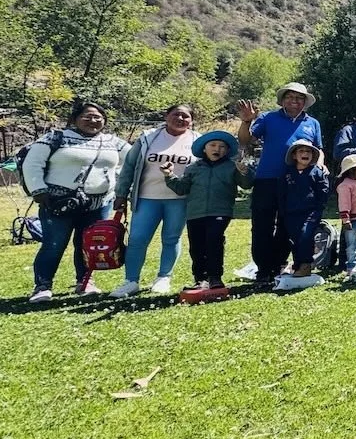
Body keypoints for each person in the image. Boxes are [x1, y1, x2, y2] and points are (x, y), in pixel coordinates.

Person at [23, 101, 131, 303]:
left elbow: (134, 159)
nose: (93, 120)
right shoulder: (56, 137)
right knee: (54, 244)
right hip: (57, 202)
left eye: (98, 117)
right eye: (87, 116)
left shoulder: (113, 142)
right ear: (74, 119)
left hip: (98, 203)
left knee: (88, 244)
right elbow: (33, 162)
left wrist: (118, 184)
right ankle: (42, 286)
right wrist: (38, 189)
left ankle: (85, 281)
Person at [236, 82, 323, 286]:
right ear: (283, 100)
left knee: (287, 226)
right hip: (266, 179)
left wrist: (319, 167)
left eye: (299, 98)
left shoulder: (313, 123)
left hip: (296, 183)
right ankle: (263, 270)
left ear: (305, 102)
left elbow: (319, 149)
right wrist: (246, 122)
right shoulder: (268, 118)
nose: (295, 101)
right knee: (262, 226)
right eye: (290, 97)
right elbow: (246, 140)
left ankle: (278, 265)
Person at [110, 104, 200, 298]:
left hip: (179, 199)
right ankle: (131, 281)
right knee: (137, 239)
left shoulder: (197, 140)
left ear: (191, 121)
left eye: (186, 116)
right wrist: (121, 193)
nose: (181, 119)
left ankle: (163, 277)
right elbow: (129, 167)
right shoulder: (148, 137)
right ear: (166, 116)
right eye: (176, 114)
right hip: (146, 197)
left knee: (171, 238)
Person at [161, 131, 252, 291]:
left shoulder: (232, 166)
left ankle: (215, 277)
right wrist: (169, 175)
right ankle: (200, 279)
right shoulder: (193, 168)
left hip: (220, 212)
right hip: (195, 213)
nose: (218, 149)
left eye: (222, 146)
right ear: (204, 149)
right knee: (196, 246)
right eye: (213, 145)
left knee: (214, 240)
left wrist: (244, 171)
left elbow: (246, 184)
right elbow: (182, 189)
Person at [279, 139, 329, 279]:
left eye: (308, 151)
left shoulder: (317, 172)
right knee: (294, 239)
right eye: (301, 151)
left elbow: (323, 192)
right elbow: (281, 193)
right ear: (294, 155)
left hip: (311, 212)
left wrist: (319, 208)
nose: (305, 153)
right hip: (291, 213)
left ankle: (306, 264)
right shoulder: (287, 173)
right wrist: (283, 211)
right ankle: (297, 264)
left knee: (305, 235)